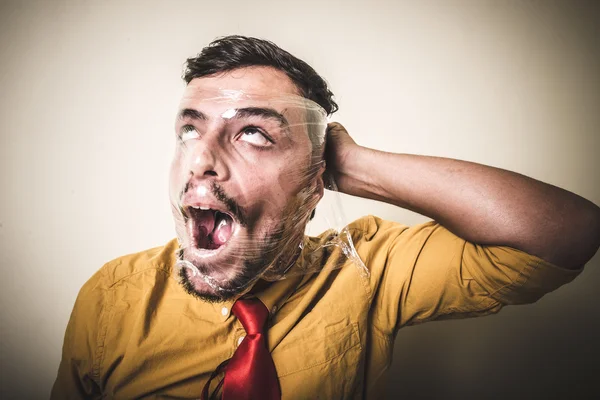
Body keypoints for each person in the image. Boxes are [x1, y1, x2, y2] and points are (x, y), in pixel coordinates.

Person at [51, 35, 600, 400]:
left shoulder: (368, 269)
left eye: (253, 133)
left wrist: (351, 164)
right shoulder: (111, 298)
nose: (201, 161)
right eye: (189, 130)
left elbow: (566, 231)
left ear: (316, 181)